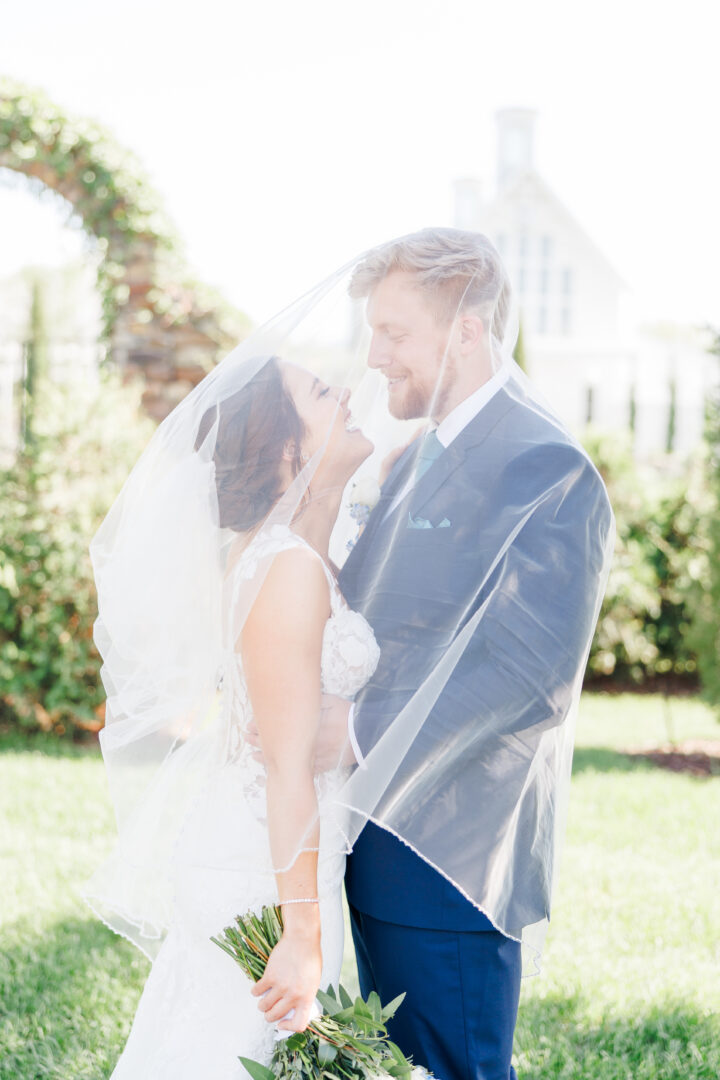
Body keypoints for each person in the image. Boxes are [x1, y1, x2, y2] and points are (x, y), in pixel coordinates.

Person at [310, 228, 615, 1080]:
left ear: (469, 331)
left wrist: (358, 733)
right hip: (375, 845)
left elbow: (531, 675)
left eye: (395, 333)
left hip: (450, 859)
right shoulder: (418, 457)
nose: (375, 357)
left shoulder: (545, 466)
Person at [83, 356, 380, 1078]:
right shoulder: (284, 567)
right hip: (263, 874)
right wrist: (301, 932)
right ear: (289, 449)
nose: (344, 389)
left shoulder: (300, 553)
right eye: (319, 392)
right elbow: (284, 763)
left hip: (278, 858)